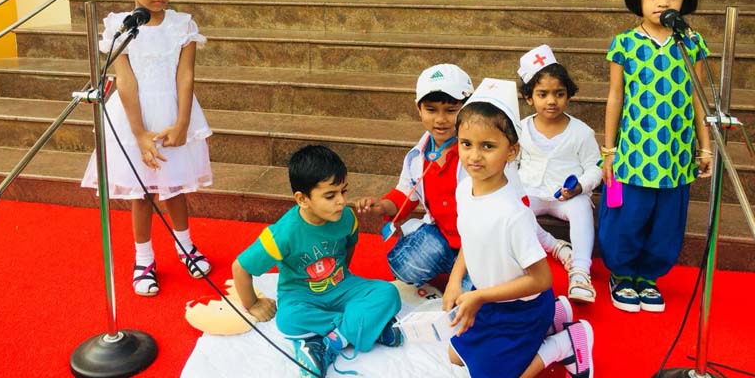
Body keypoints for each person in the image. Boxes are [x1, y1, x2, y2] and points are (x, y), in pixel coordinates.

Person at [81, 0, 213, 296]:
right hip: (133, 118)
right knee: (141, 191)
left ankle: (185, 246)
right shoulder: (118, 27)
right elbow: (125, 79)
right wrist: (139, 134)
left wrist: (182, 123)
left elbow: (185, 75)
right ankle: (144, 258)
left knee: (174, 187)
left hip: (173, 113)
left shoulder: (183, 25)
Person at [444, 78, 595, 378]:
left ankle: (564, 343)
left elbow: (541, 279)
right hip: (488, 300)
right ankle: (556, 315)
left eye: (488, 146)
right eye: (466, 144)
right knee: (455, 356)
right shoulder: (463, 190)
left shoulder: (513, 214)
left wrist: (480, 297)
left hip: (520, 309)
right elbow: (470, 240)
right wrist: (454, 279)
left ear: (511, 151)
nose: (474, 156)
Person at [599, 0, 712, 313]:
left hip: (676, 154)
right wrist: (609, 150)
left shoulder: (690, 42)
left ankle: (648, 277)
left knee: (666, 223)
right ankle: (622, 274)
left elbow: (698, 97)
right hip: (635, 153)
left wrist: (705, 146)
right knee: (628, 217)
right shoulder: (625, 43)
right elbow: (616, 97)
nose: (663, 2)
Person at [232, 145, 402, 378]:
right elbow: (240, 267)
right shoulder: (283, 233)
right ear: (302, 199)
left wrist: (343, 279)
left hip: (342, 286)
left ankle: (331, 341)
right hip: (301, 296)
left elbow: (349, 245)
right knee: (288, 319)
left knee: (388, 293)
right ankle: (366, 327)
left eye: (344, 191)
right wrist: (252, 304)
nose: (341, 201)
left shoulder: (347, 218)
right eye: (330, 195)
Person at [354, 64, 474, 287]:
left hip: (478, 242)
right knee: (403, 264)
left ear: (468, 109)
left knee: (475, 299)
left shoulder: (476, 153)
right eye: (431, 110)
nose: (440, 119)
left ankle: (463, 274)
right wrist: (383, 206)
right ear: (418, 109)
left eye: (451, 110)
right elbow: (405, 194)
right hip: (442, 234)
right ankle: (451, 265)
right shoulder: (418, 155)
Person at [517, 45, 602, 303]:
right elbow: (511, 162)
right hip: (530, 190)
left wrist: (581, 186)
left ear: (568, 95)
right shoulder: (520, 129)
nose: (551, 101)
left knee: (581, 208)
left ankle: (580, 271)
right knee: (513, 209)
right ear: (529, 98)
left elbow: (595, 166)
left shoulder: (581, 132)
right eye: (542, 94)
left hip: (567, 197)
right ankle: (555, 247)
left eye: (559, 93)